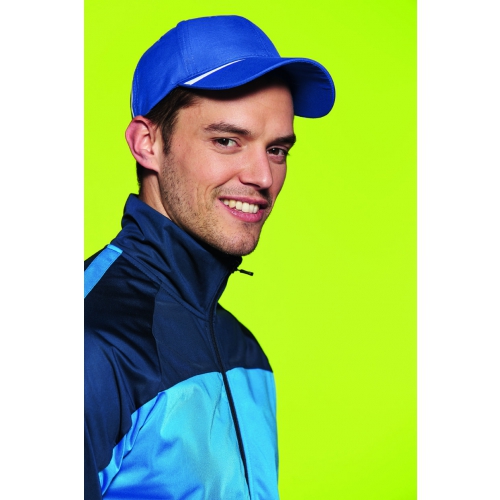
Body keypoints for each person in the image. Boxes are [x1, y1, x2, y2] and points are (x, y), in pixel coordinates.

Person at [84, 14, 335, 500]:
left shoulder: (246, 353)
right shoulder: (87, 341)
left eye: (277, 150)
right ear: (147, 144)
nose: (263, 176)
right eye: (227, 141)